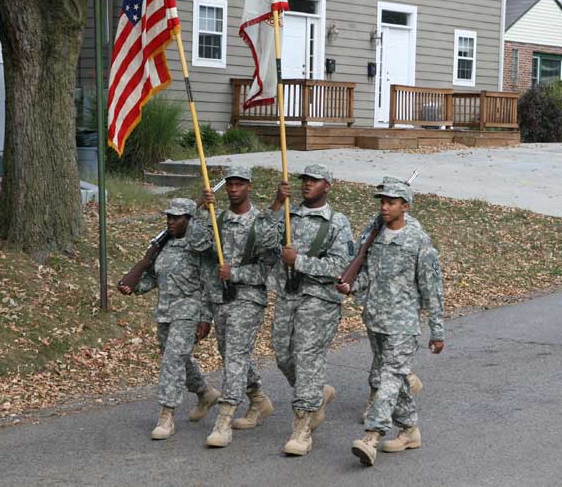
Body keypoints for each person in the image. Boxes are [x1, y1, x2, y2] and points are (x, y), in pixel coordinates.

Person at [337, 181, 445, 466]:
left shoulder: (418, 240)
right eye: (383, 201)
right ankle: (409, 430)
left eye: (392, 202)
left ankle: (371, 436)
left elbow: (431, 288)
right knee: (396, 378)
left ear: (405, 206)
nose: (385, 206)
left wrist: (437, 330)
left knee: (387, 377)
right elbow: (369, 276)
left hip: (404, 323)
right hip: (376, 319)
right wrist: (352, 286)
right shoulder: (374, 237)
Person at [257, 164, 353, 456]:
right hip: (288, 296)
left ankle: (302, 428)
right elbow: (260, 241)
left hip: (319, 299)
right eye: (305, 180)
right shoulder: (288, 214)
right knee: (284, 356)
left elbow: (340, 267)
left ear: (328, 186)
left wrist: (298, 260)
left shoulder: (337, 222)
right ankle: (316, 394)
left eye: (314, 180)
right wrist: (276, 203)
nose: (307, 184)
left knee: (307, 357)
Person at [187, 166, 276, 448]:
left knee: (235, 353)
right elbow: (198, 245)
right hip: (221, 299)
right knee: (231, 354)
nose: (234, 189)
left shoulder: (261, 223)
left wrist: (235, 273)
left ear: (249, 186)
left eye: (239, 184)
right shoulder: (219, 218)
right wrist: (200, 209)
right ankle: (259, 399)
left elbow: (269, 270)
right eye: (230, 185)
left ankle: (224, 419)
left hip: (249, 299)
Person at [117, 198, 218, 440]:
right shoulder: (163, 246)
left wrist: (206, 318)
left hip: (189, 313)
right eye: (168, 217)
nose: (171, 221)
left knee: (172, 360)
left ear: (190, 220)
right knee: (177, 358)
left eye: (177, 217)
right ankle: (204, 392)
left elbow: (209, 284)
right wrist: (135, 286)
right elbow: (154, 277)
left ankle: (166, 415)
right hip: (165, 312)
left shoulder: (199, 247)